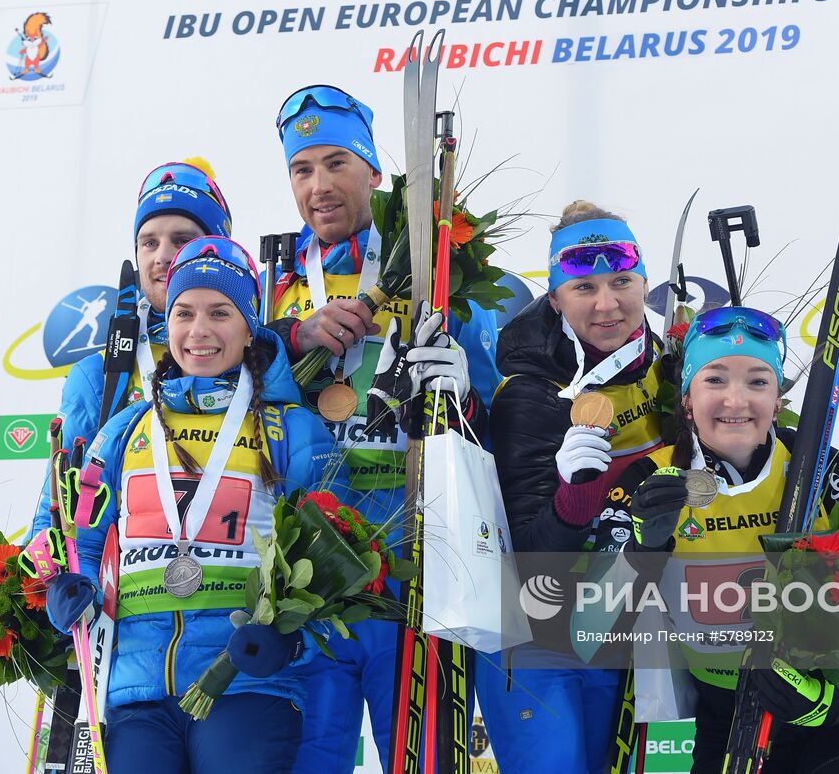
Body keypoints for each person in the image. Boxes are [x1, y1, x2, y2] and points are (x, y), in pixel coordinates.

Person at [270, 83, 501, 773]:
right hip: (316, 574)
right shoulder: (273, 284)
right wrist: (288, 337)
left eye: (336, 163)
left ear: (374, 172)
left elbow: (497, 414)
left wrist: (463, 386)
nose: (319, 186)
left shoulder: (436, 271)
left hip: (417, 564)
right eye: (302, 169)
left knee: (426, 757)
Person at [44, 235, 334, 772]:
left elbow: (331, 568)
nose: (199, 331)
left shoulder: (293, 430)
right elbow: (79, 535)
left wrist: (292, 645)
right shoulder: (125, 429)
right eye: (184, 313)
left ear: (250, 328)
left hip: (247, 685)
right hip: (133, 692)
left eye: (220, 313)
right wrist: (68, 587)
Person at [592, 305, 839, 773]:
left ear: (779, 398)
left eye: (758, 381)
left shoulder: (830, 474)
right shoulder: (651, 481)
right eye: (716, 379)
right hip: (729, 719)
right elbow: (592, 630)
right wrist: (644, 552)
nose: (737, 401)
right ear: (687, 397)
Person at [476, 201, 672, 773]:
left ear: (644, 283)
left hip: (624, 630)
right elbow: (528, 556)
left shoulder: (675, 374)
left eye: (621, 282)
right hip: (536, 633)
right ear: (555, 298)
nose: (607, 304)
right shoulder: (530, 393)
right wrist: (577, 498)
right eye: (584, 287)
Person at [30, 157, 233, 535]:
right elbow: (55, 506)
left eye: (182, 240)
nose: (162, 256)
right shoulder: (101, 373)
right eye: (149, 242)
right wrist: (40, 584)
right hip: (130, 581)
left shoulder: (259, 353)